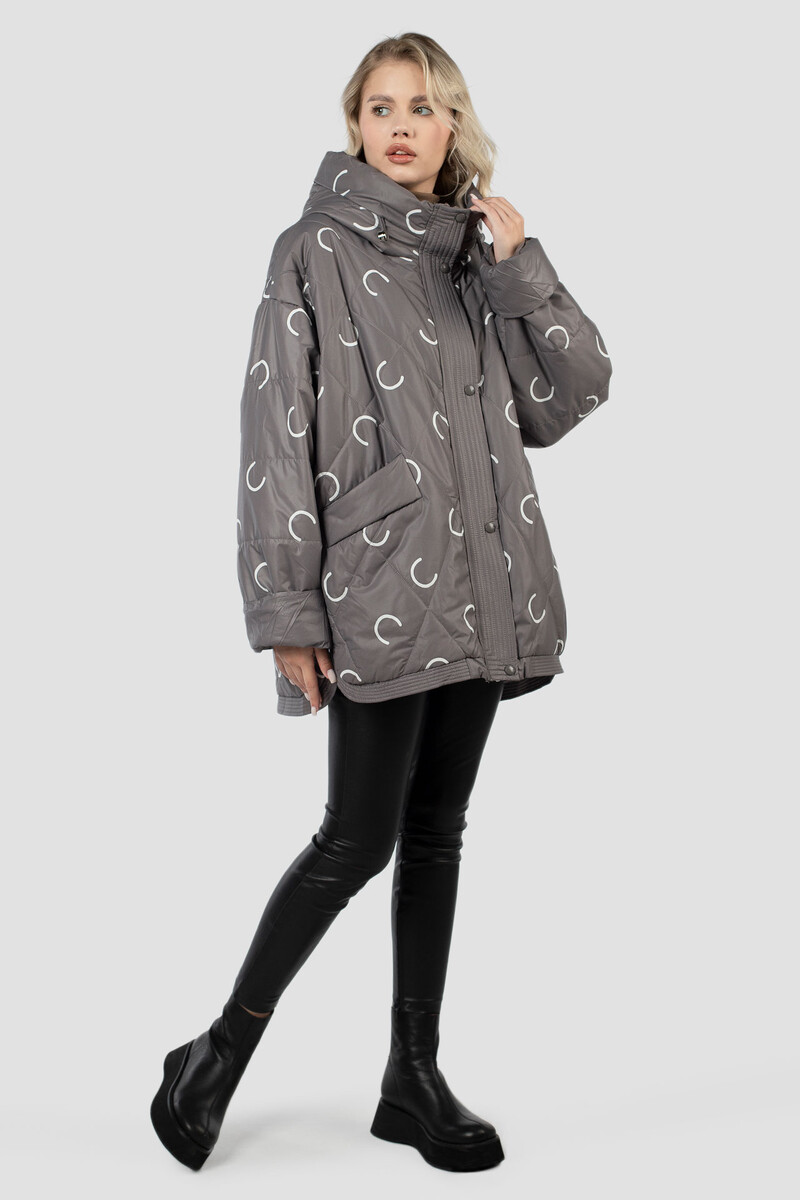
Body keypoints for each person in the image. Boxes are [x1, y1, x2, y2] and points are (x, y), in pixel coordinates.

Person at [150, 31, 612, 1175]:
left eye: (421, 107)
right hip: (379, 588)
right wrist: (287, 615)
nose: (399, 126)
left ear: (452, 126)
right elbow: (274, 432)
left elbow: (570, 393)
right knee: (354, 838)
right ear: (354, 125)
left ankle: (412, 1076)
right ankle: (216, 1052)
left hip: (486, 580)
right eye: (378, 107)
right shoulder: (312, 249)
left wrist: (520, 268)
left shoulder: (475, 260)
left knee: (435, 834)